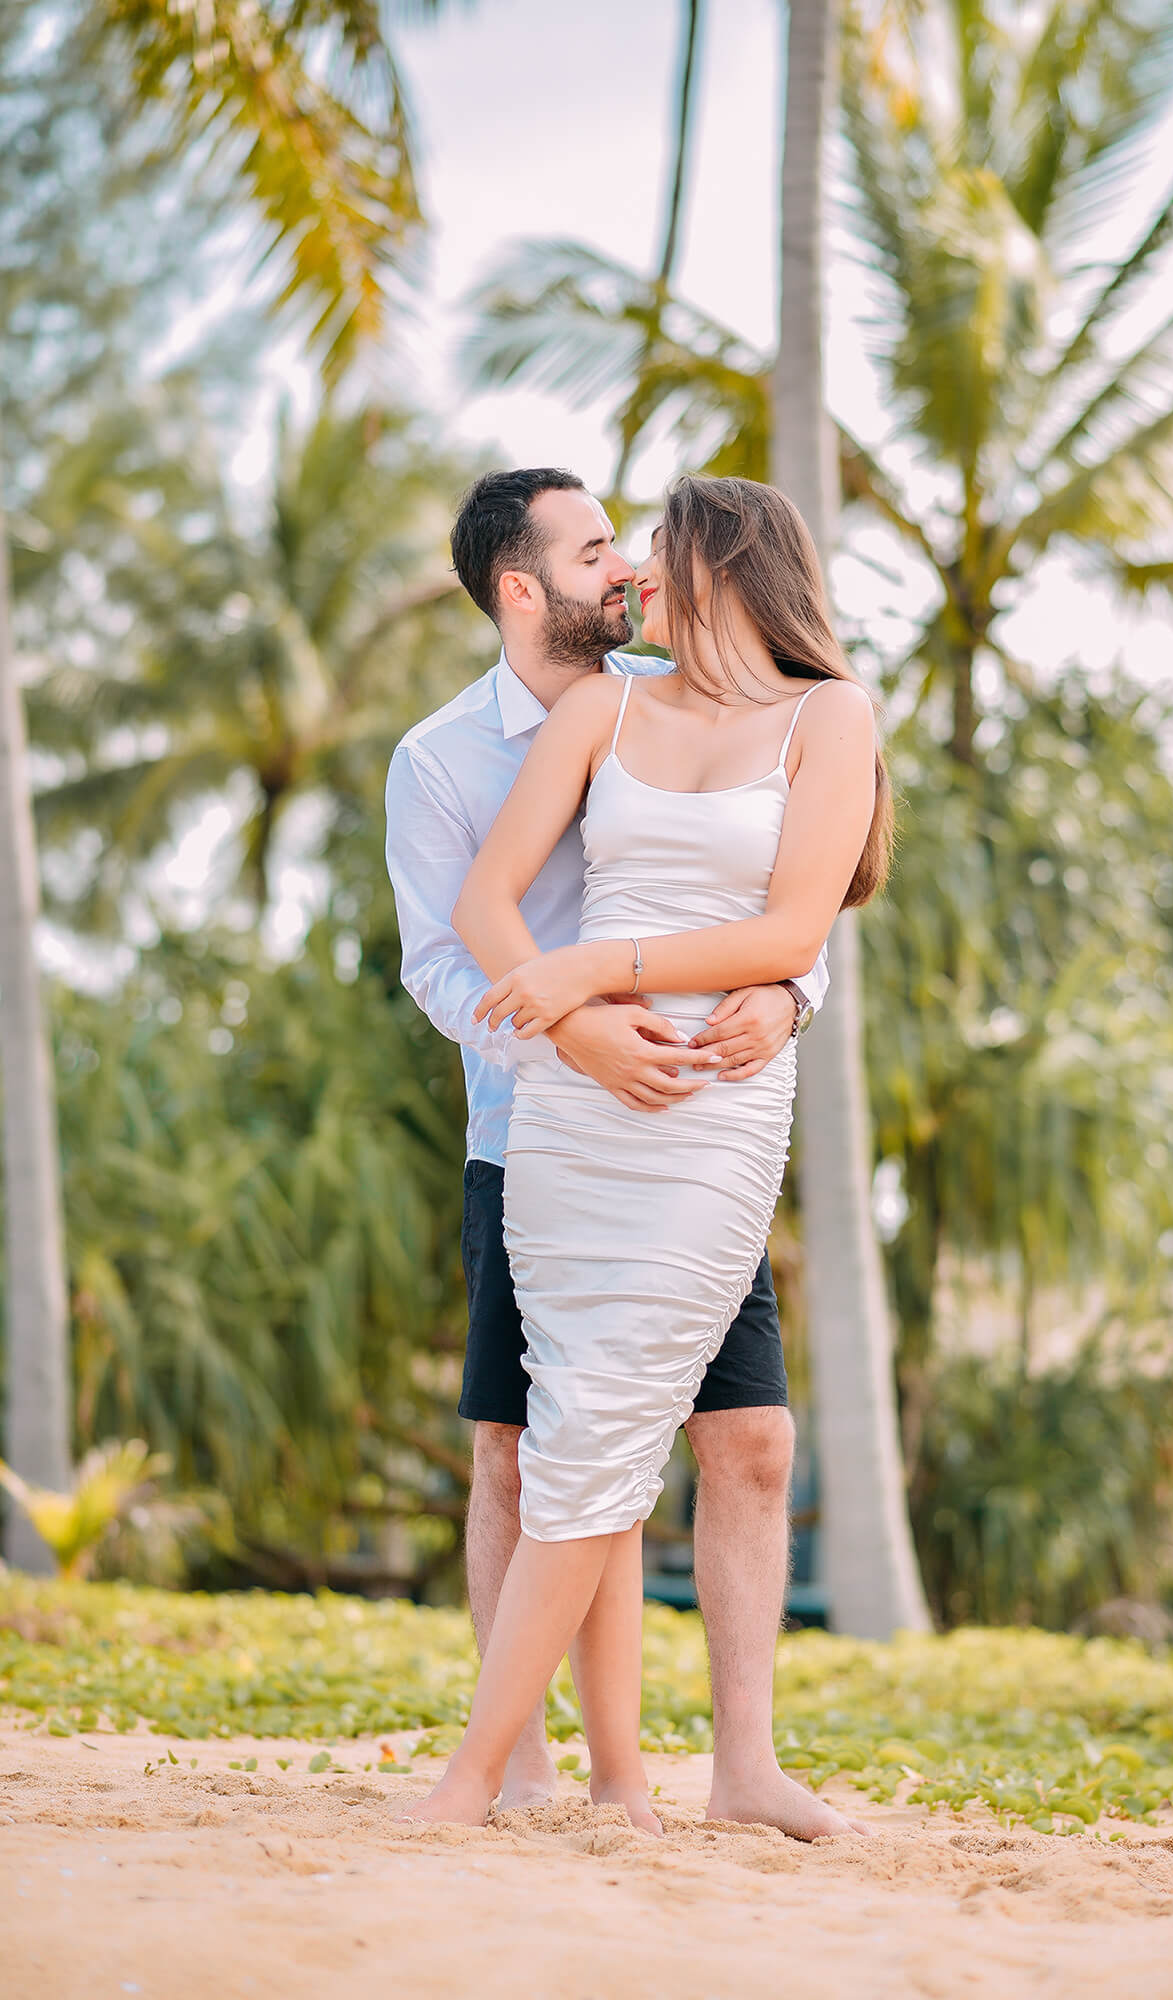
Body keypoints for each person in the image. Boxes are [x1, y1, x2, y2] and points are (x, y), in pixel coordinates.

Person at [395, 471, 887, 1835]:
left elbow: (796, 936)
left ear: (727, 568)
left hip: (712, 1119)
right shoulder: (572, 718)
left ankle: (690, 1770)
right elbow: (469, 920)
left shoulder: (828, 714)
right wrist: (573, 1030)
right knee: (563, 1446)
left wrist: (621, 973)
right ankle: (535, 1773)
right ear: (520, 584)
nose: (629, 574)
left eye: (646, 548)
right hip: (551, 1120)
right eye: (606, 551)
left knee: (718, 1437)